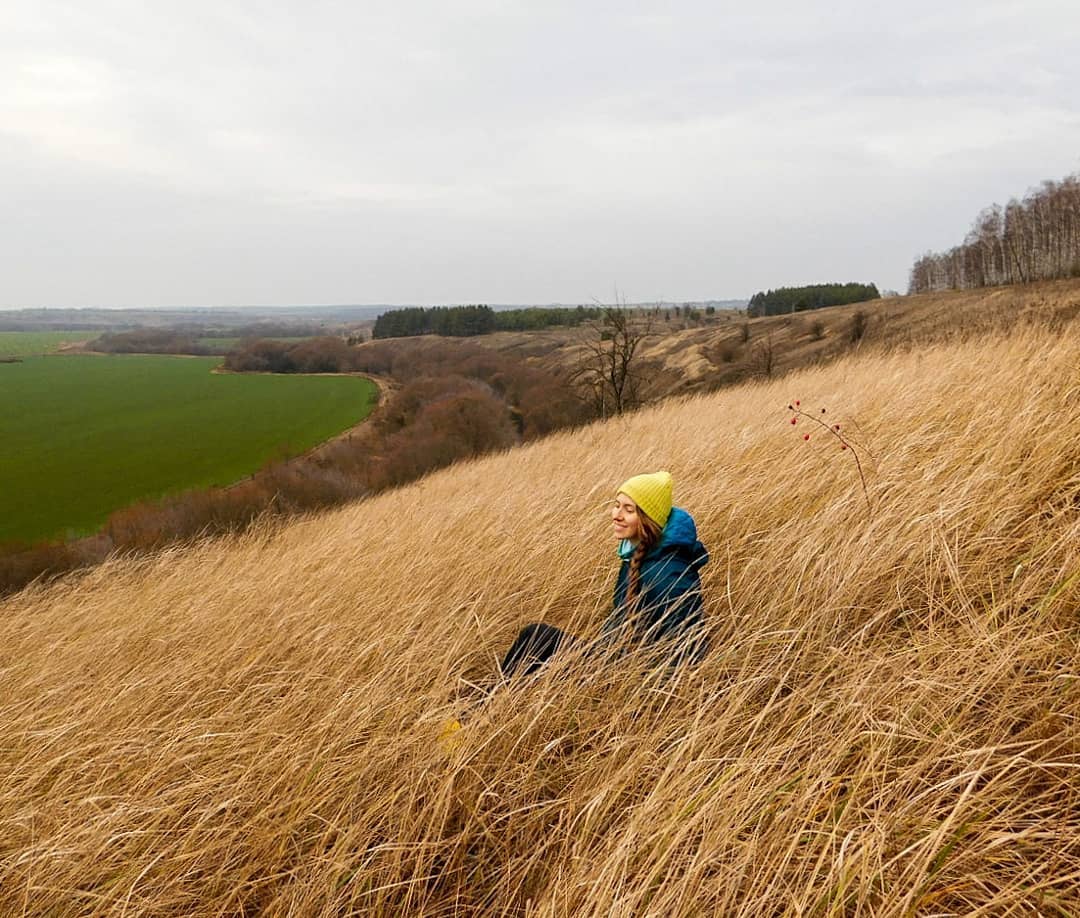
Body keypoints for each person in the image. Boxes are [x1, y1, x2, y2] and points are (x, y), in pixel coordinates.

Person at [500, 470, 709, 677]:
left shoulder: (667, 573)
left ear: (647, 518)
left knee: (538, 637)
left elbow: (686, 650)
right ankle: (496, 701)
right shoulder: (636, 556)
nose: (616, 515)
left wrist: (632, 683)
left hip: (624, 675)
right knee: (534, 638)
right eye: (617, 505)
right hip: (609, 658)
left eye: (628, 510)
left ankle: (491, 704)